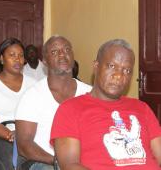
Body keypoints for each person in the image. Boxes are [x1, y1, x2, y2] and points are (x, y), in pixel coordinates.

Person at [50, 39, 161, 170]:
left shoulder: (142, 108)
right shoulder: (71, 109)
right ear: (96, 67)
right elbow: (70, 165)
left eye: (127, 71)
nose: (119, 76)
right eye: (112, 66)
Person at [15, 35, 92, 169]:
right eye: (55, 51)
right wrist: (58, 162)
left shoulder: (90, 94)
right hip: (46, 162)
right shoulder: (32, 96)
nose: (62, 54)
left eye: (67, 50)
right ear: (45, 61)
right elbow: (24, 145)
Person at [0, 38, 36, 169]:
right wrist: (12, 135)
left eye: (21, 55)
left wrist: (24, 136)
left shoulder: (33, 84)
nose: (17, 59)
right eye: (12, 55)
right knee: (13, 162)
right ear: (2, 59)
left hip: (27, 134)